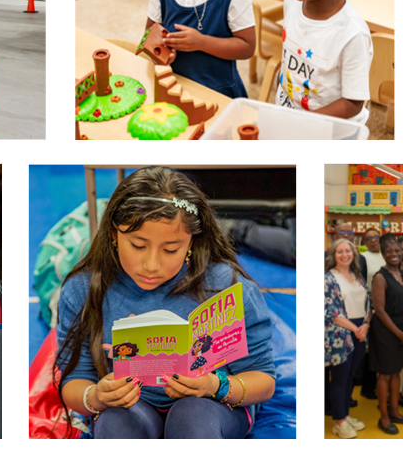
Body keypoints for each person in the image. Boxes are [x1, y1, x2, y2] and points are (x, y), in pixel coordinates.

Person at [55, 167, 275, 439]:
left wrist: (214, 386)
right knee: (116, 423)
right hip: (132, 407)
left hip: (213, 406)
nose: (151, 265)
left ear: (191, 242)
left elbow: (263, 381)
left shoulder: (224, 285)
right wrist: (97, 396)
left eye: (171, 249)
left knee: (191, 417)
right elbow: (74, 382)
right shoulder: (84, 289)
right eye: (137, 245)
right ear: (114, 234)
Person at [369, 235, 403, 435]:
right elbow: (379, 311)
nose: (395, 254)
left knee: (397, 370)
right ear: (383, 254)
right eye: (389, 251)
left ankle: (395, 411)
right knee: (385, 373)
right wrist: (399, 333)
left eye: (397, 250)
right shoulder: (380, 277)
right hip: (386, 331)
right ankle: (384, 417)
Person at [324, 238, 370, 438]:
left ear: (353, 254)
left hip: (360, 330)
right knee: (340, 379)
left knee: (351, 376)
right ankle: (339, 422)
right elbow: (331, 311)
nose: (345, 255)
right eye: (340, 251)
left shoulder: (357, 276)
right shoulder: (328, 279)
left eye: (348, 251)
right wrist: (356, 329)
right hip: (341, 333)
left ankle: (345, 414)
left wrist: (366, 324)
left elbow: (368, 303)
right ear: (333, 255)